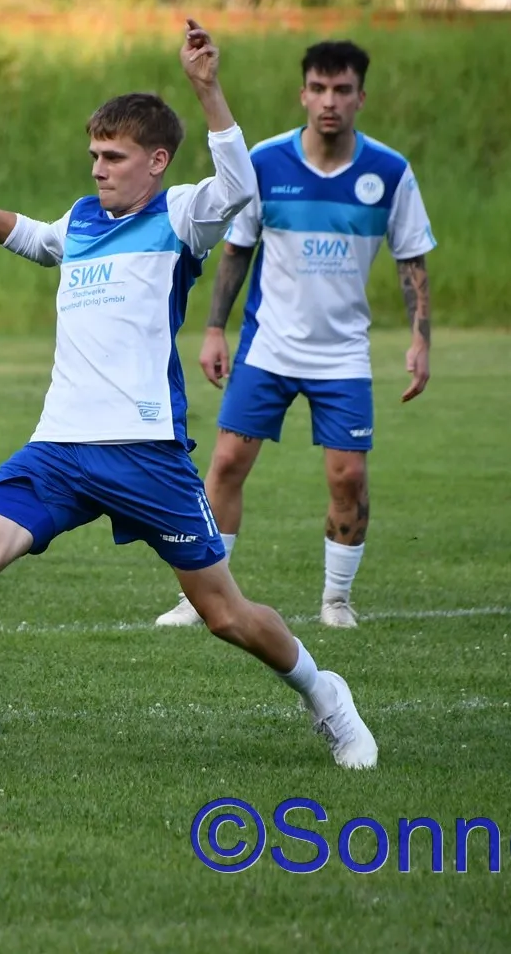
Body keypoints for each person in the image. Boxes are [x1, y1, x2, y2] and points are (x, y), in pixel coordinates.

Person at [0, 21, 378, 770]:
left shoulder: (180, 217)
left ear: (156, 162)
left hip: (145, 452)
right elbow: (39, 240)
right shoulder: (81, 221)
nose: (99, 169)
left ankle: (326, 694)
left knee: (224, 613)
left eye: (114, 157)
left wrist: (206, 87)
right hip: (59, 448)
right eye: (94, 156)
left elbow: (240, 188)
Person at [154, 40, 436, 631]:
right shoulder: (267, 161)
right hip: (269, 347)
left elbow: (411, 260)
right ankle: (200, 599)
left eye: (342, 90)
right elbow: (237, 250)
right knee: (226, 463)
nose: (329, 101)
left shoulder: (389, 172)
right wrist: (214, 329)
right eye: (319, 89)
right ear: (302, 94)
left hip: (343, 353)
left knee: (348, 476)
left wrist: (420, 339)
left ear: (361, 97)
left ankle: (337, 600)